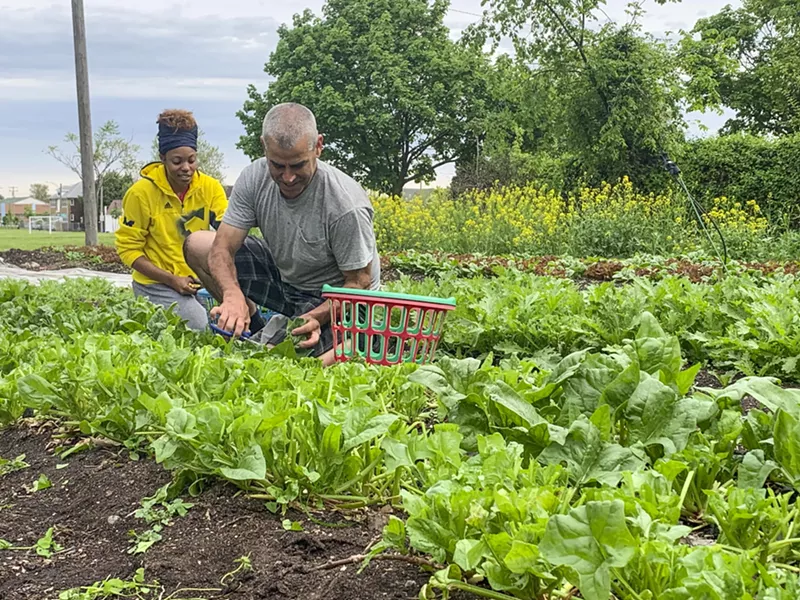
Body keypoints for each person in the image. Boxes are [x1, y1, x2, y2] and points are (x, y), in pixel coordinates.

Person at [183, 102, 380, 364]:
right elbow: (222, 249)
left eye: (298, 165)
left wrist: (316, 318)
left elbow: (359, 284)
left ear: (318, 146)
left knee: (285, 362)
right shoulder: (254, 178)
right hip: (286, 279)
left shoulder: (345, 205)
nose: (287, 177)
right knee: (198, 244)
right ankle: (249, 321)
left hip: (332, 298)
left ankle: (344, 339)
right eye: (278, 165)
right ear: (264, 146)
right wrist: (232, 295)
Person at [115, 109, 228, 330]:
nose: (186, 168)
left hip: (200, 280)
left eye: (191, 160)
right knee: (200, 327)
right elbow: (128, 250)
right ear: (162, 157)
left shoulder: (210, 188)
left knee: (244, 311)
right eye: (177, 161)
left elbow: (228, 233)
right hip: (157, 284)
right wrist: (172, 280)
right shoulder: (141, 194)